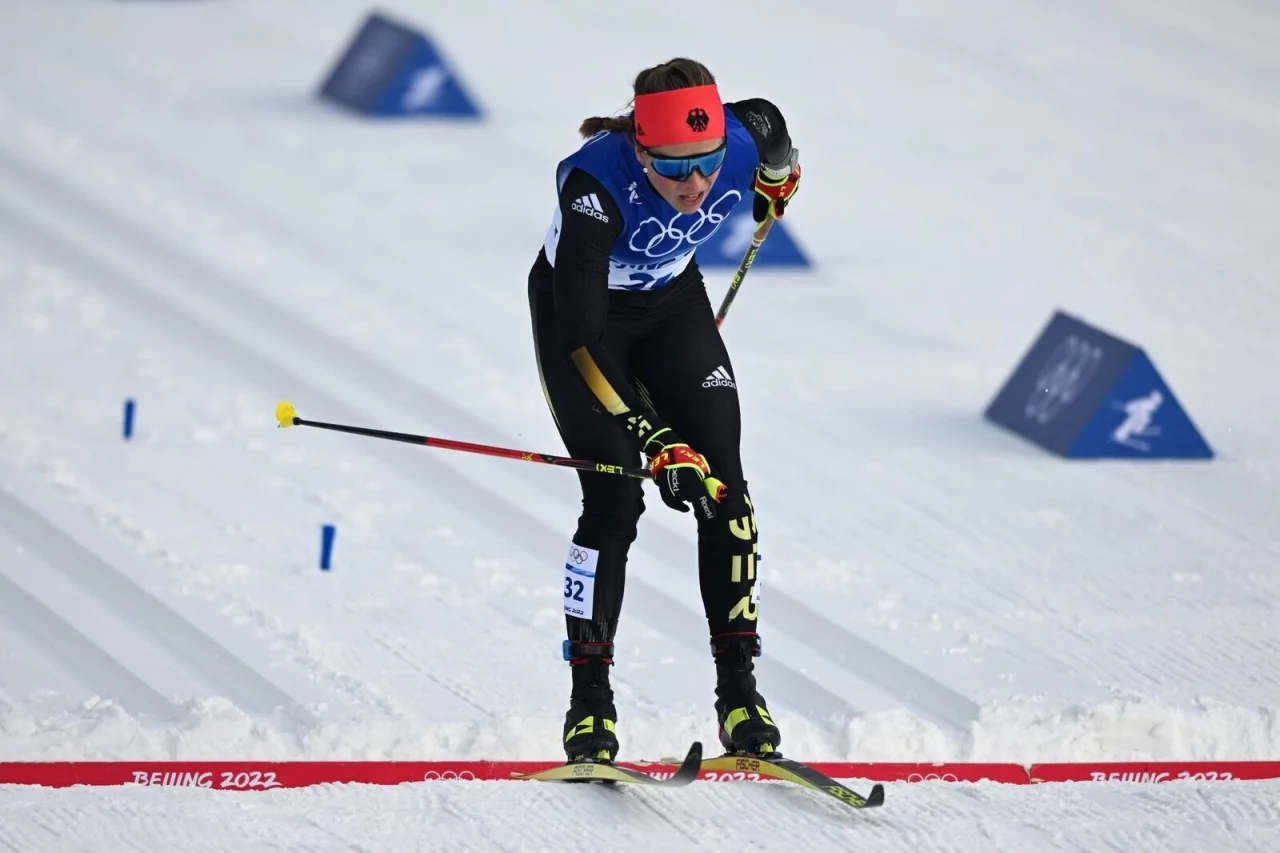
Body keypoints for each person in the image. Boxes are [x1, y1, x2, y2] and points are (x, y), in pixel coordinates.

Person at [527, 57, 801, 764]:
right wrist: (655, 439)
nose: (697, 183)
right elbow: (583, 340)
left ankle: (739, 693)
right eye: (676, 167)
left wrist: (778, 178)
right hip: (585, 324)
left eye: (708, 163)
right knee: (614, 496)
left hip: (671, 305)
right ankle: (590, 703)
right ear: (642, 148)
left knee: (726, 490)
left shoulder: (742, 135)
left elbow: (772, 129)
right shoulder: (594, 188)